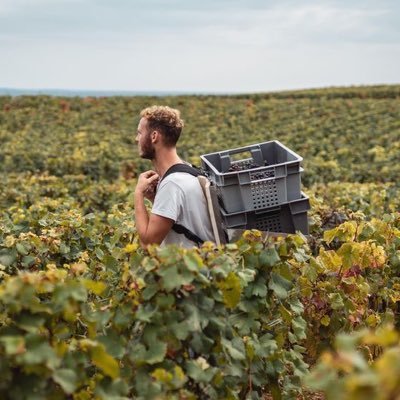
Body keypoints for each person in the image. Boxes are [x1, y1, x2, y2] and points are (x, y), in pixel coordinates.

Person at [134, 105, 215, 249]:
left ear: (154, 136)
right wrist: (154, 198)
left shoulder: (172, 184)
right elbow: (181, 220)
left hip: (193, 270)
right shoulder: (188, 170)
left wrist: (138, 194)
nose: (136, 139)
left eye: (140, 133)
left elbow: (148, 244)